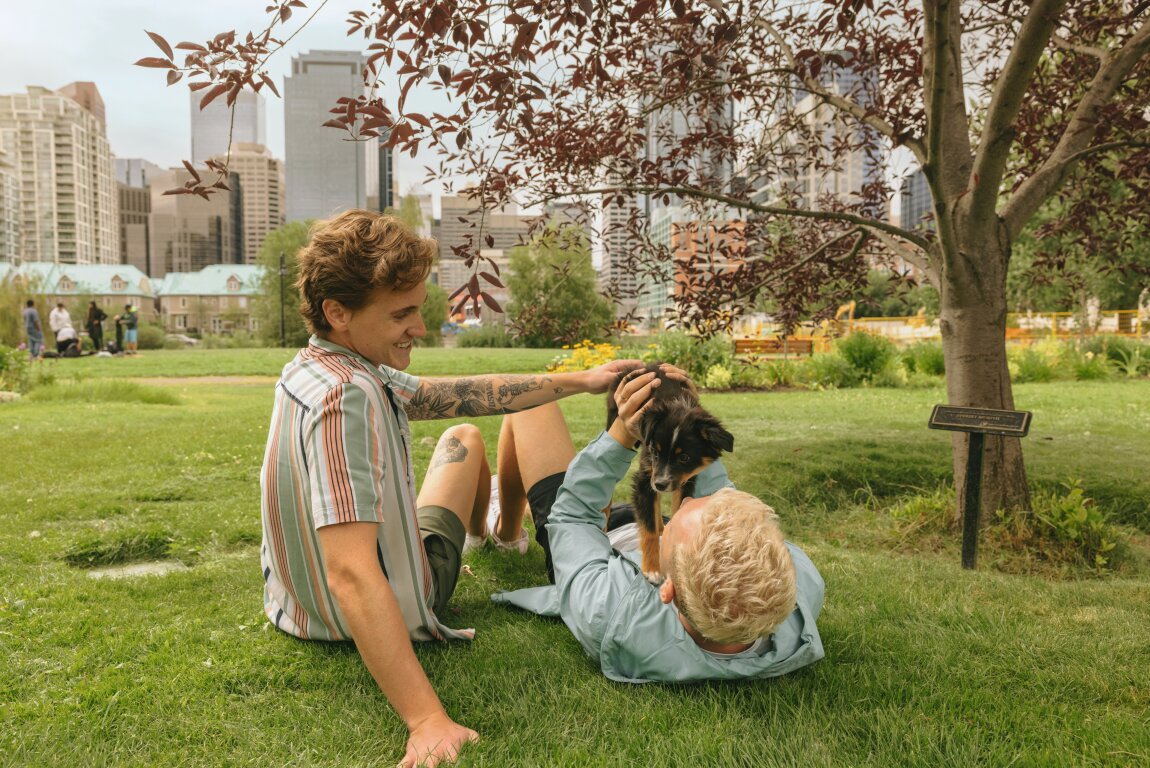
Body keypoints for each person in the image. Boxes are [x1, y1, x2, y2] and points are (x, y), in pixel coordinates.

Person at [259, 209, 639, 768]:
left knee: (462, 431)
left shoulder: (318, 369)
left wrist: (578, 381)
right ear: (338, 312)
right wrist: (426, 720)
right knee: (482, 440)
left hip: (297, 608)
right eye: (403, 313)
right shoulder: (348, 401)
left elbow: (453, 394)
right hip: (380, 603)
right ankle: (504, 532)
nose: (419, 327)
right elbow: (350, 574)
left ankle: (500, 532)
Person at [489, 370, 825, 684]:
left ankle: (505, 530)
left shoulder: (608, 608)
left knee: (529, 404)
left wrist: (622, 431)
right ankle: (505, 515)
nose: (688, 499)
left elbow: (573, 517)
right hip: (636, 528)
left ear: (668, 590)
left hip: (598, 547)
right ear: (781, 568)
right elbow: (734, 521)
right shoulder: (801, 586)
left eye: (682, 513)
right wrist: (689, 414)